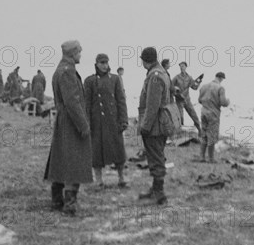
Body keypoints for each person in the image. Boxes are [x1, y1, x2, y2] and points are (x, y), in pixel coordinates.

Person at [44, 40, 92, 215]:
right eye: (79, 52)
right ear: (73, 53)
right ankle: (70, 204)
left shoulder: (61, 70)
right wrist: (83, 125)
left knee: (61, 160)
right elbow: (72, 101)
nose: (80, 55)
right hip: (71, 122)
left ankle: (57, 200)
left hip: (64, 121)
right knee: (74, 162)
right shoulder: (67, 72)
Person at [85, 55, 128, 188]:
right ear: (96, 64)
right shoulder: (90, 81)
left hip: (113, 121)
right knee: (97, 153)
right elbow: (86, 104)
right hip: (97, 122)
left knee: (118, 150)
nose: (104, 65)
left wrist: (123, 120)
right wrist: (87, 123)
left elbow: (121, 101)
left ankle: (121, 178)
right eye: (101, 63)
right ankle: (99, 181)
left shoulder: (115, 79)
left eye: (106, 62)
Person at [138, 47, 172, 205]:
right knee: (156, 156)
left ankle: (160, 194)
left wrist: (145, 127)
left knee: (156, 158)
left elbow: (152, 105)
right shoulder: (162, 72)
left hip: (155, 126)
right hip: (161, 123)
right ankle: (155, 189)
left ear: (145, 60)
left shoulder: (155, 76)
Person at [198, 72, 230, 163]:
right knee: (212, 136)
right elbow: (223, 103)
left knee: (204, 135)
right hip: (213, 114)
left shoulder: (203, 86)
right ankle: (211, 159)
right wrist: (228, 102)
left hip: (203, 112)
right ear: (221, 78)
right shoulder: (220, 88)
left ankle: (202, 157)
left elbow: (199, 100)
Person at [172, 62, 202, 135]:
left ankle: (200, 131)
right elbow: (171, 87)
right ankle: (179, 134)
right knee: (180, 117)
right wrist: (176, 92)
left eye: (183, 66)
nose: (181, 68)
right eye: (180, 66)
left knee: (194, 115)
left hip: (187, 100)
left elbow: (194, 87)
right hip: (179, 100)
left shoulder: (189, 77)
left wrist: (199, 81)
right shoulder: (176, 77)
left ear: (186, 67)